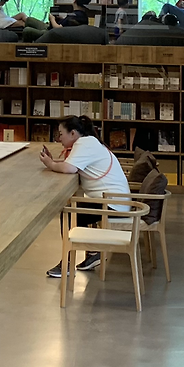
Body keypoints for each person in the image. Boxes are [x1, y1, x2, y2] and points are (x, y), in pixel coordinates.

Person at [39, 115, 130, 278]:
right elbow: (71, 165)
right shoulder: (88, 142)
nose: (59, 138)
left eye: (61, 134)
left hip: (113, 204)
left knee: (69, 213)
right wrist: (55, 162)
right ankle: (93, 253)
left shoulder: (84, 143)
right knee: (76, 211)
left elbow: (69, 168)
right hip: (115, 201)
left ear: (73, 133)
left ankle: (67, 263)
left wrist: (50, 164)